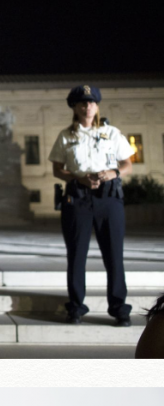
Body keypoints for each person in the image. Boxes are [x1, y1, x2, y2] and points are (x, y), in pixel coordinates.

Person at [48, 84, 134, 326]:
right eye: (83, 103)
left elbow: (128, 164)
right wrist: (77, 178)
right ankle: (76, 307)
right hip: (78, 198)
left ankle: (119, 307)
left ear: (97, 106)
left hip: (109, 198)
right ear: (74, 107)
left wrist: (113, 172)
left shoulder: (112, 133)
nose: (88, 107)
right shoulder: (66, 136)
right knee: (76, 255)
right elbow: (57, 169)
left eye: (92, 102)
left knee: (114, 255)